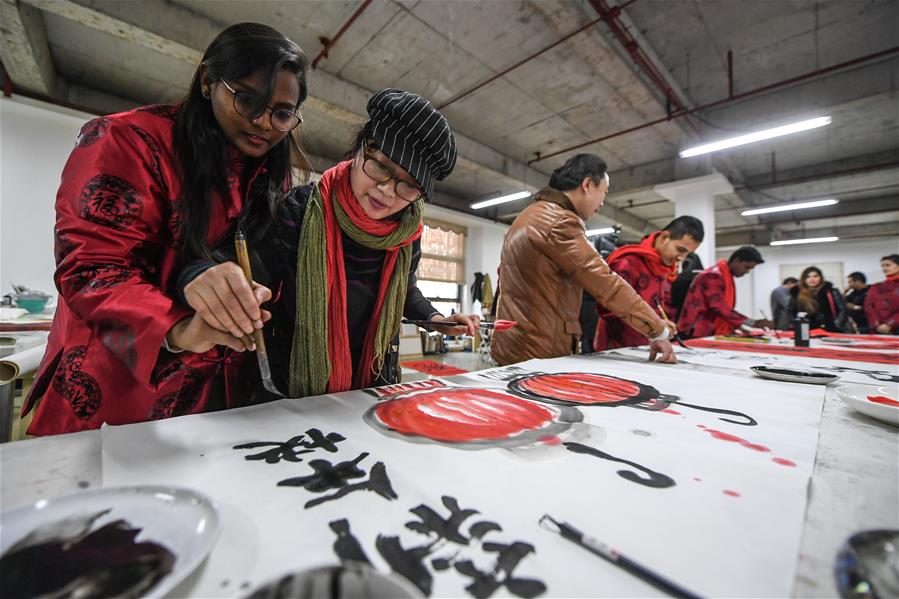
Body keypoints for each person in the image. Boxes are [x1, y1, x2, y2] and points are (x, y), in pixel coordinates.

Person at [23, 23, 310, 436]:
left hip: (215, 407)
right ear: (209, 82)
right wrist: (177, 327)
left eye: (282, 113)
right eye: (247, 99)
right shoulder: (127, 141)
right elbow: (90, 268)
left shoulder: (272, 178)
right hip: (114, 394)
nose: (264, 123)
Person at [181, 89, 479, 397]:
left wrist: (436, 320)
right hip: (297, 383)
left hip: (373, 381)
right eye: (381, 167)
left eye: (409, 185)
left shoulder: (406, 233)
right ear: (360, 148)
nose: (388, 191)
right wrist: (207, 278)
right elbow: (238, 268)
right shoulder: (300, 209)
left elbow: (404, 288)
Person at [491, 154, 675, 366]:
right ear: (587, 184)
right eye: (603, 192)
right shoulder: (559, 222)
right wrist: (658, 330)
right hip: (537, 351)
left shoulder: (529, 215)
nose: (603, 202)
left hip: (515, 344)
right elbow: (606, 284)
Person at [594, 216, 704, 351]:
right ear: (664, 238)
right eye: (680, 250)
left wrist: (664, 324)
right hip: (617, 348)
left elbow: (660, 305)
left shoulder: (664, 269)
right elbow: (609, 309)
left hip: (648, 346)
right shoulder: (627, 263)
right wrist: (655, 326)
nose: (682, 258)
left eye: (688, 253)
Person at [677, 246, 773, 338]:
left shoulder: (725, 275)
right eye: (746, 267)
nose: (747, 272)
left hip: (705, 330)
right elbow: (717, 306)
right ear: (737, 261)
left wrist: (739, 326)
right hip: (694, 331)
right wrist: (752, 322)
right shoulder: (713, 275)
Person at [788, 266, 848, 332]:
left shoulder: (830, 291)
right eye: (808, 277)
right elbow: (790, 312)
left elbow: (843, 309)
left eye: (815, 276)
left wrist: (836, 324)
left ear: (821, 278)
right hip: (805, 330)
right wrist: (797, 325)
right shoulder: (796, 293)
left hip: (829, 329)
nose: (812, 279)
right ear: (803, 279)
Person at [865, 254, 899, 335]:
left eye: (888, 265)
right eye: (882, 266)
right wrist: (877, 324)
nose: (884, 268)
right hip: (879, 330)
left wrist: (890, 324)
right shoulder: (876, 287)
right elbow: (869, 306)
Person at [670, 251, 703, 320]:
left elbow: (672, 303)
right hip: (705, 321)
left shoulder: (678, 279)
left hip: (683, 320)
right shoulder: (709, 278)